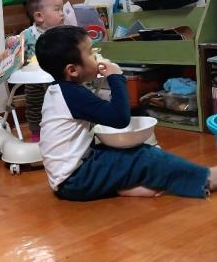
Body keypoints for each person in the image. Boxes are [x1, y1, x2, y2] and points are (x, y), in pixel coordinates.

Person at [35, 25, 217, 200]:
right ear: (72, 70)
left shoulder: (59, 91)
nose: (96, 56)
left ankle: (123, 187)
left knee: (133, 151)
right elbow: (120, 118)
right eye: (90, 52)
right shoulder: (73, 95)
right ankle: (206, 179)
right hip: (76, 180)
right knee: (143, 157)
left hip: (72, 176)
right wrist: (116, 77)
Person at [5, 0, 64, 142]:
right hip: (35, 80)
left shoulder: (64, 33)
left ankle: (63, 130)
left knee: (63, 102)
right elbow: (15, 52)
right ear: (39, 16)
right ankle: (37, 134)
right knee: (35, 106)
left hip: (59, 78)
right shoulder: (28, 35)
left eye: (62, 9)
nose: (62, 14)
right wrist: (12, 43)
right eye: (57, 9)